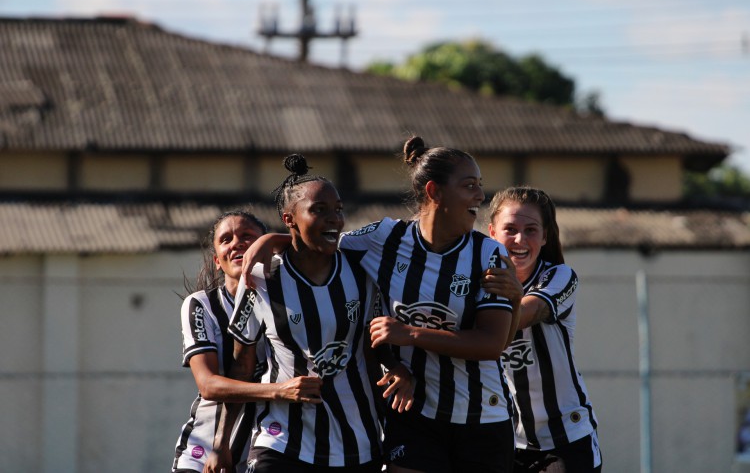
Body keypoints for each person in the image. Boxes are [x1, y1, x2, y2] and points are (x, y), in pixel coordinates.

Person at [243, 136, 521, 473]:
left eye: (480, 186)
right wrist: (275, 239)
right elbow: (325, 239)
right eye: (470, 185)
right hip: (414, 415)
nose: (480, 196)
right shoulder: (384, 239)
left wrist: (410, 334)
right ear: (434, 192)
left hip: (482, 416)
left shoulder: (488, 254)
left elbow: (491, 344)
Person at [226, 154, 414, 472]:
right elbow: (241, 368)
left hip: (358, 441)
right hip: (282, 439)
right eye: (320, 210)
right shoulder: (259, 278)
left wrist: (396, 367)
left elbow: (373, 348)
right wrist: (222, 444)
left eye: (338, 210)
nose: (334, 219)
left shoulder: (361, 267)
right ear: (289, 218)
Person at [485, 186, 602, 472]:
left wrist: (509, 296)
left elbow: (527, 313)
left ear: (545, 236)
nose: (519, 239)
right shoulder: (477, 283)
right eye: (510, 229)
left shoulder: (560, 276)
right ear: (491, 232)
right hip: (506, 439)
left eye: (531, 230)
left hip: (566, 438)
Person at [172, 209, 269, 473]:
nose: (236, 243)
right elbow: (209, 385)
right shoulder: (201, 305)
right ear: (217, 260)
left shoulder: (288, 300)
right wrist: (282, 391)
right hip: (206, 446)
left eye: (247, 236)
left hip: (267, 443)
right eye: (226, 239)